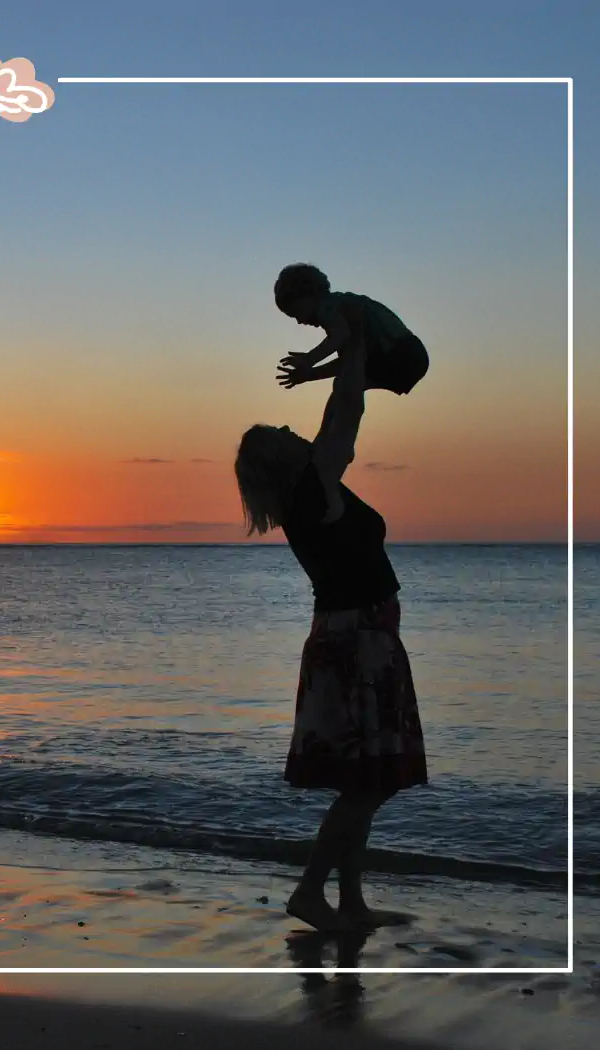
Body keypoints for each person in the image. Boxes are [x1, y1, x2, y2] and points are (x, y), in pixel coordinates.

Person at [234, 330, 428, 932]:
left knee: (365, 779)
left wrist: (347, 361)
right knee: (368, 787)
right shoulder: (314, 489)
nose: (298, 436)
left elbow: (340, 413)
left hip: (356, 640)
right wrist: (355, 359)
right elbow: (346, 410)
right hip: (356, 645)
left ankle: (351, 902)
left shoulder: (311, 493)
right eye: (286, 437)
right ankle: (310, 892)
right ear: (282, 460)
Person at [273, 263, 429, 397]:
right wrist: (309, 375)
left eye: (296, 312)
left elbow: (340, 335)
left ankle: (333, 432)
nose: (300, 321)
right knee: (346, 384)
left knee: (345, 386)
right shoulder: (341, 312)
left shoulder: (329, 307)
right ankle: (329, 431)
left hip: (401, 353)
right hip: (410, 356)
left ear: (309, 294)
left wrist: (309, 359)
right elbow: (348, 361)